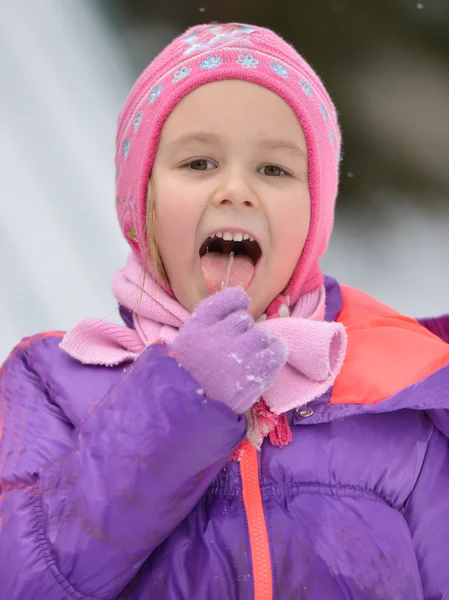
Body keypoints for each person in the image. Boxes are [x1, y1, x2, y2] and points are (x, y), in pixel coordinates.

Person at [1, 22, 449, 600]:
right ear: (141, 200)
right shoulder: (51, 386)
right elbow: (23, 578)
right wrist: (181, 400)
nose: (236, 189)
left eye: (274, 170)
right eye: (199, 164)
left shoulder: (400, 401)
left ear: (315, 215)